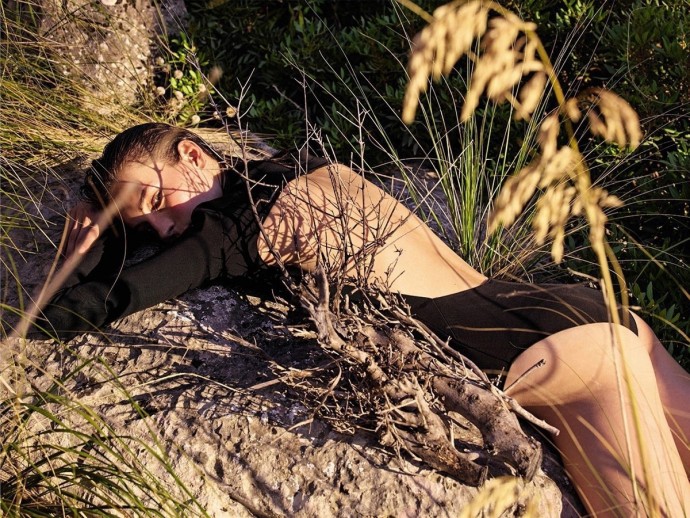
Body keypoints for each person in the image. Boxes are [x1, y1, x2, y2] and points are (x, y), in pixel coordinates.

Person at [34, 123, 689, 516]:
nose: (160, 223)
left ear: (197, 156)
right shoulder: (304, 167)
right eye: (141, 223)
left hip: (560, 357)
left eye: (154, 197)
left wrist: (87, 255)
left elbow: (80, 312)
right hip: (600, 313)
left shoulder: (234, 227)